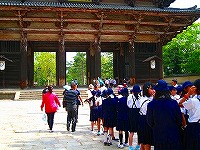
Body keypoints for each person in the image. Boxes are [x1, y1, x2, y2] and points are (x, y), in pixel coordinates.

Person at [146, 79, 182, 150]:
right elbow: (179, 120)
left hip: (159, 135)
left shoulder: (151, 104)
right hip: (173, 134)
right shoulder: (174, 103)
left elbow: (149, 121)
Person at [178, 79, 200, 150]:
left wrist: (188, 94)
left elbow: (180, 104)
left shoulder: (193, 101)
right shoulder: (194, 99)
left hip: (194, 127)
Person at [138, 82, 155, 150]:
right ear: (146, 89)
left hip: (143, 119)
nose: (153, 90)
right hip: (146, 120)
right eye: (151, 89)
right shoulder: (145, 100)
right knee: (147, 142)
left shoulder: (145, 98)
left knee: (143, 141)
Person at [127, 84, 142, 150]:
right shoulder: (140, 97)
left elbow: (128, 104)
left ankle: (130, 146)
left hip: (131, 112)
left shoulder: (130, 97)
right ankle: (138, 145)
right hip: (138, 112)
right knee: (139, 131)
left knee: (132, 131)